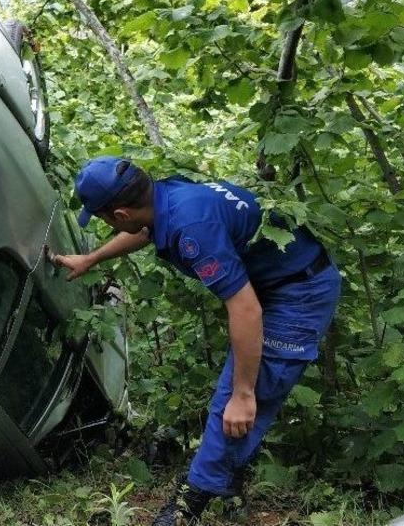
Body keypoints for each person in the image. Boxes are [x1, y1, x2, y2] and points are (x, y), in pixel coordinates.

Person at [51, 156, 341, 526]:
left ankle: (186, 507)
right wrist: (92, 258)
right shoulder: (167, 196)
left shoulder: (192, 228)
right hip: (276, 281)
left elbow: (246, 310)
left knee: (237, 401)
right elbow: (144, 231)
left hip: (300, 293)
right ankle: (227, 486)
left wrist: (243, 393)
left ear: (119, 213)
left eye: (104, 216)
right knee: (236, 394)